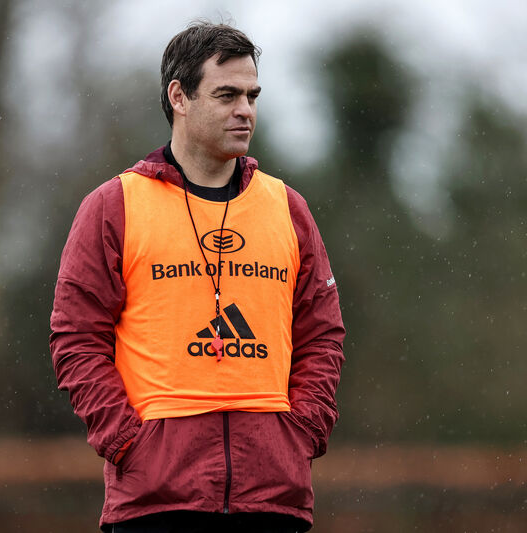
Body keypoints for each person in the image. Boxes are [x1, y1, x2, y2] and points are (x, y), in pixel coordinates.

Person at [50, 21, 345, 533]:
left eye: (252, 95)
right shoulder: (113, 206)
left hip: (273, 500)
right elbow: (76, 339)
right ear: (179, 97)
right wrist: (127, 442)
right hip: (155, 502)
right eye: (227, 94)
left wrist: (301, 434)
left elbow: (322, 335)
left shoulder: (288, 209)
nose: (245, 110)